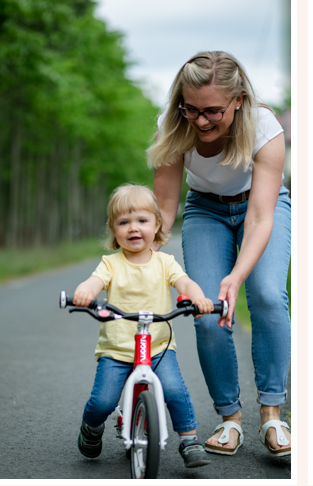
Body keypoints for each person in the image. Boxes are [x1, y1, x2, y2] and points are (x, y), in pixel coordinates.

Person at [147, 51, 291, 457]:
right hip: (205, 209)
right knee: (206, 311)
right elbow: (164, 210)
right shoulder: (173, 127)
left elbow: (262, 218)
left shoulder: (264, 126)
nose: (201, 120)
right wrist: (139, 263)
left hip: (262, 207)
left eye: (213, 111)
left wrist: (237, 276)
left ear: (239, 100)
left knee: (265, 295)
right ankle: (229, 420)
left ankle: (273, 416)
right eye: (191, 109)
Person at [73, 184, 214, 468]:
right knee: (102, 401)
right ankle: (92, 427)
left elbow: (183, 282)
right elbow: (95, 281)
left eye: (142, 220)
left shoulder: (165, 262)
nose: (133, 228)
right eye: (124, 222)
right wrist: (86, 290)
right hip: (117, 348)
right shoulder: (111, 264)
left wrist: (196, 294)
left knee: (174, 390)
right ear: (113, 229)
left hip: (159, 345)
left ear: (157, 224)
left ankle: (189, 439)